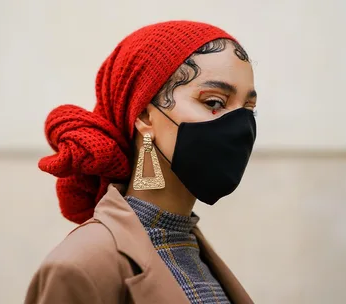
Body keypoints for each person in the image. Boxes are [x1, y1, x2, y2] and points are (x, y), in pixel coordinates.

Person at [25, 20, 257, 304]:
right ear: (146, 117)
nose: (241, 126)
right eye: (214, 102)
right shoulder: (82, 267)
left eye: (248, 108)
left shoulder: (191, 248)